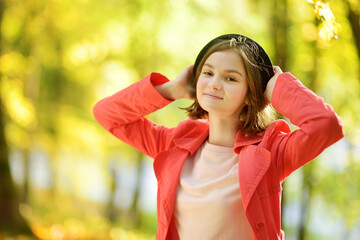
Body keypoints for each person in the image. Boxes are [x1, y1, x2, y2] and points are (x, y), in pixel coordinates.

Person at [93, 34, 344, 240]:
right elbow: (107, 114)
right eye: (208, 73)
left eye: (230, 78)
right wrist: (171, 89)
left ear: (250, 93)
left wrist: (278, 89)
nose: (214, 84)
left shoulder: (272, 153)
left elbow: (326, 125)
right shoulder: (173, 145)